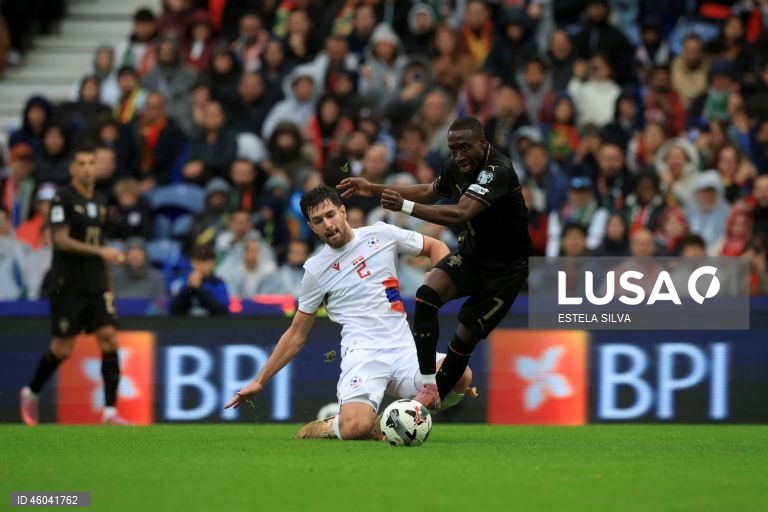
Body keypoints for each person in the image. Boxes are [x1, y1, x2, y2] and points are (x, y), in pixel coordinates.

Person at [225, 185, 474, 440]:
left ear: (343, 212)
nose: (327, 224)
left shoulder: (382, 234)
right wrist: (260, 381)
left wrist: (439, 277)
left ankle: (381, 423)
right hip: (363, 355)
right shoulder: (315, 270)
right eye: (318, 221)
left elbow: (435, 246)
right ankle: (330, 425)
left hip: (405, 352)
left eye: (330, 215)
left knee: (460, 375)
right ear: (311, 227)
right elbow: (297, 334)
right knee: (355, 428)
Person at [338, 116, 531, 410]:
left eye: (465, 148)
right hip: (472, 255)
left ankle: (419, 409)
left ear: (482, 142)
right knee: (427, 295)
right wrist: (373, 188)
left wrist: (404, 206)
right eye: (453, 149)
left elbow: (461, 213)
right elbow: (430, 190)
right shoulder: (456, 166)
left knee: (465, 336)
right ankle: (427, 384)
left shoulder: (498, 171)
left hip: (505, 273)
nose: (458, 156)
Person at [19, 146, 128, 426]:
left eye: (91, 162)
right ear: (72, 169)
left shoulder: (102, 201)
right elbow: (62, 240)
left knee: (109, 337)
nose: (88, 168)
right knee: (63, 348)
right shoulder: (62, 199)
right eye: (82, 163)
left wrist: (108, 281)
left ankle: (110, 412)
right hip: (67, 283)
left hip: (96, 282)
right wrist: (101, 252)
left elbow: (99, 245)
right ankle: (31, 392)